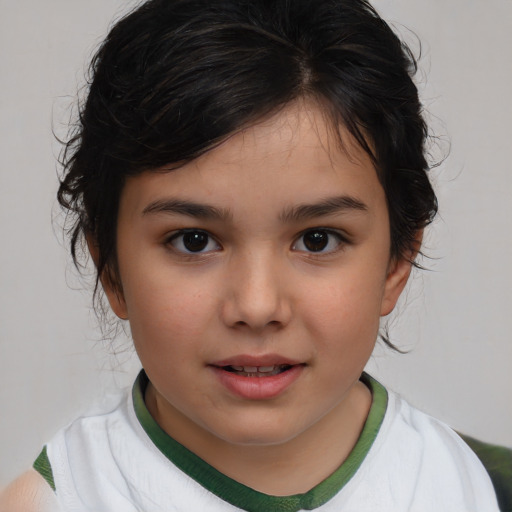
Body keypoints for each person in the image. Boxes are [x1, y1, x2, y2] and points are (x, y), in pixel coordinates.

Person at [0, 0, 510, 510]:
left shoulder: (479, 487)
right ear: (110, 269)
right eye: (193, 240)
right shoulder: (56, 499)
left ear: (396, 262)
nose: (257, 306)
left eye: (318, 239)